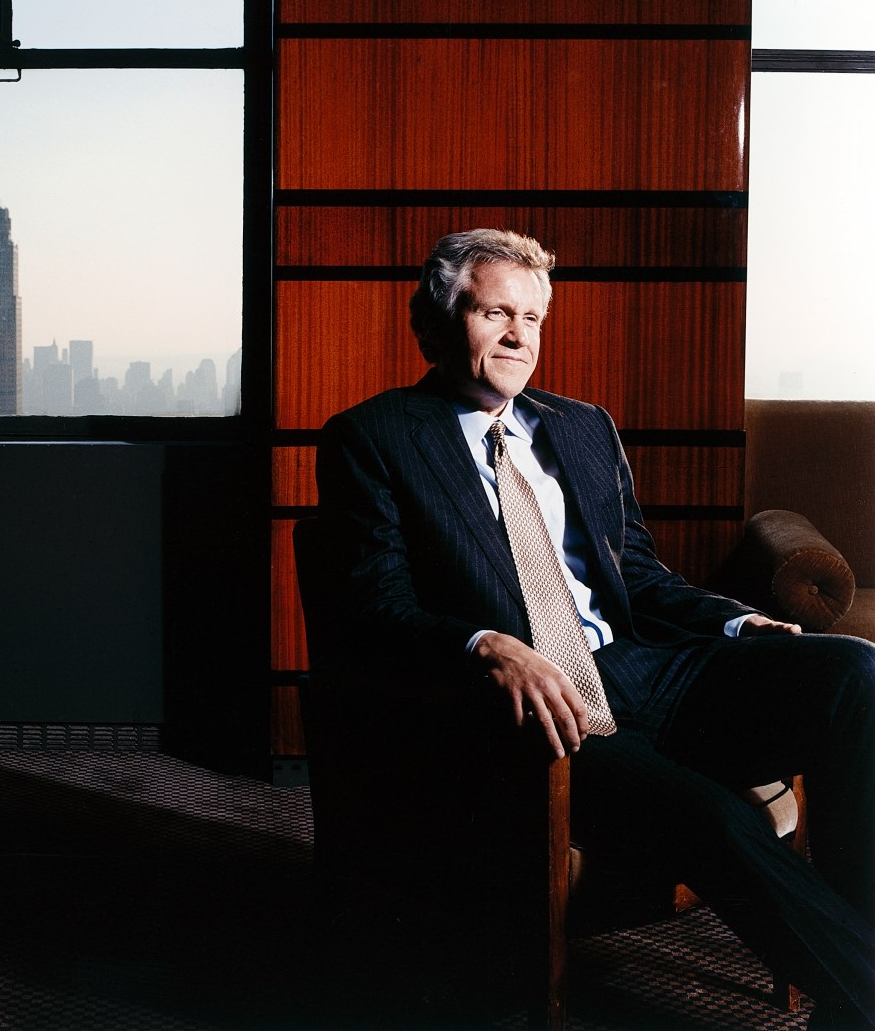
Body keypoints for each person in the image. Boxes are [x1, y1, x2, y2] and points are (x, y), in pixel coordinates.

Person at [315, 228, 875, 1029]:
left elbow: (639, 577)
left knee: (854, 672)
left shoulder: (582, 427)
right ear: (439, 324)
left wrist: (740, 622)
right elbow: (372, 606)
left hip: (646, 669)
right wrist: (486, 645)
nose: (519, 336)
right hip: (535, 707)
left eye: (534, 318)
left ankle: (855, 995)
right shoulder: (374, 439)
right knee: (718, 817)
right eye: (496, 313)